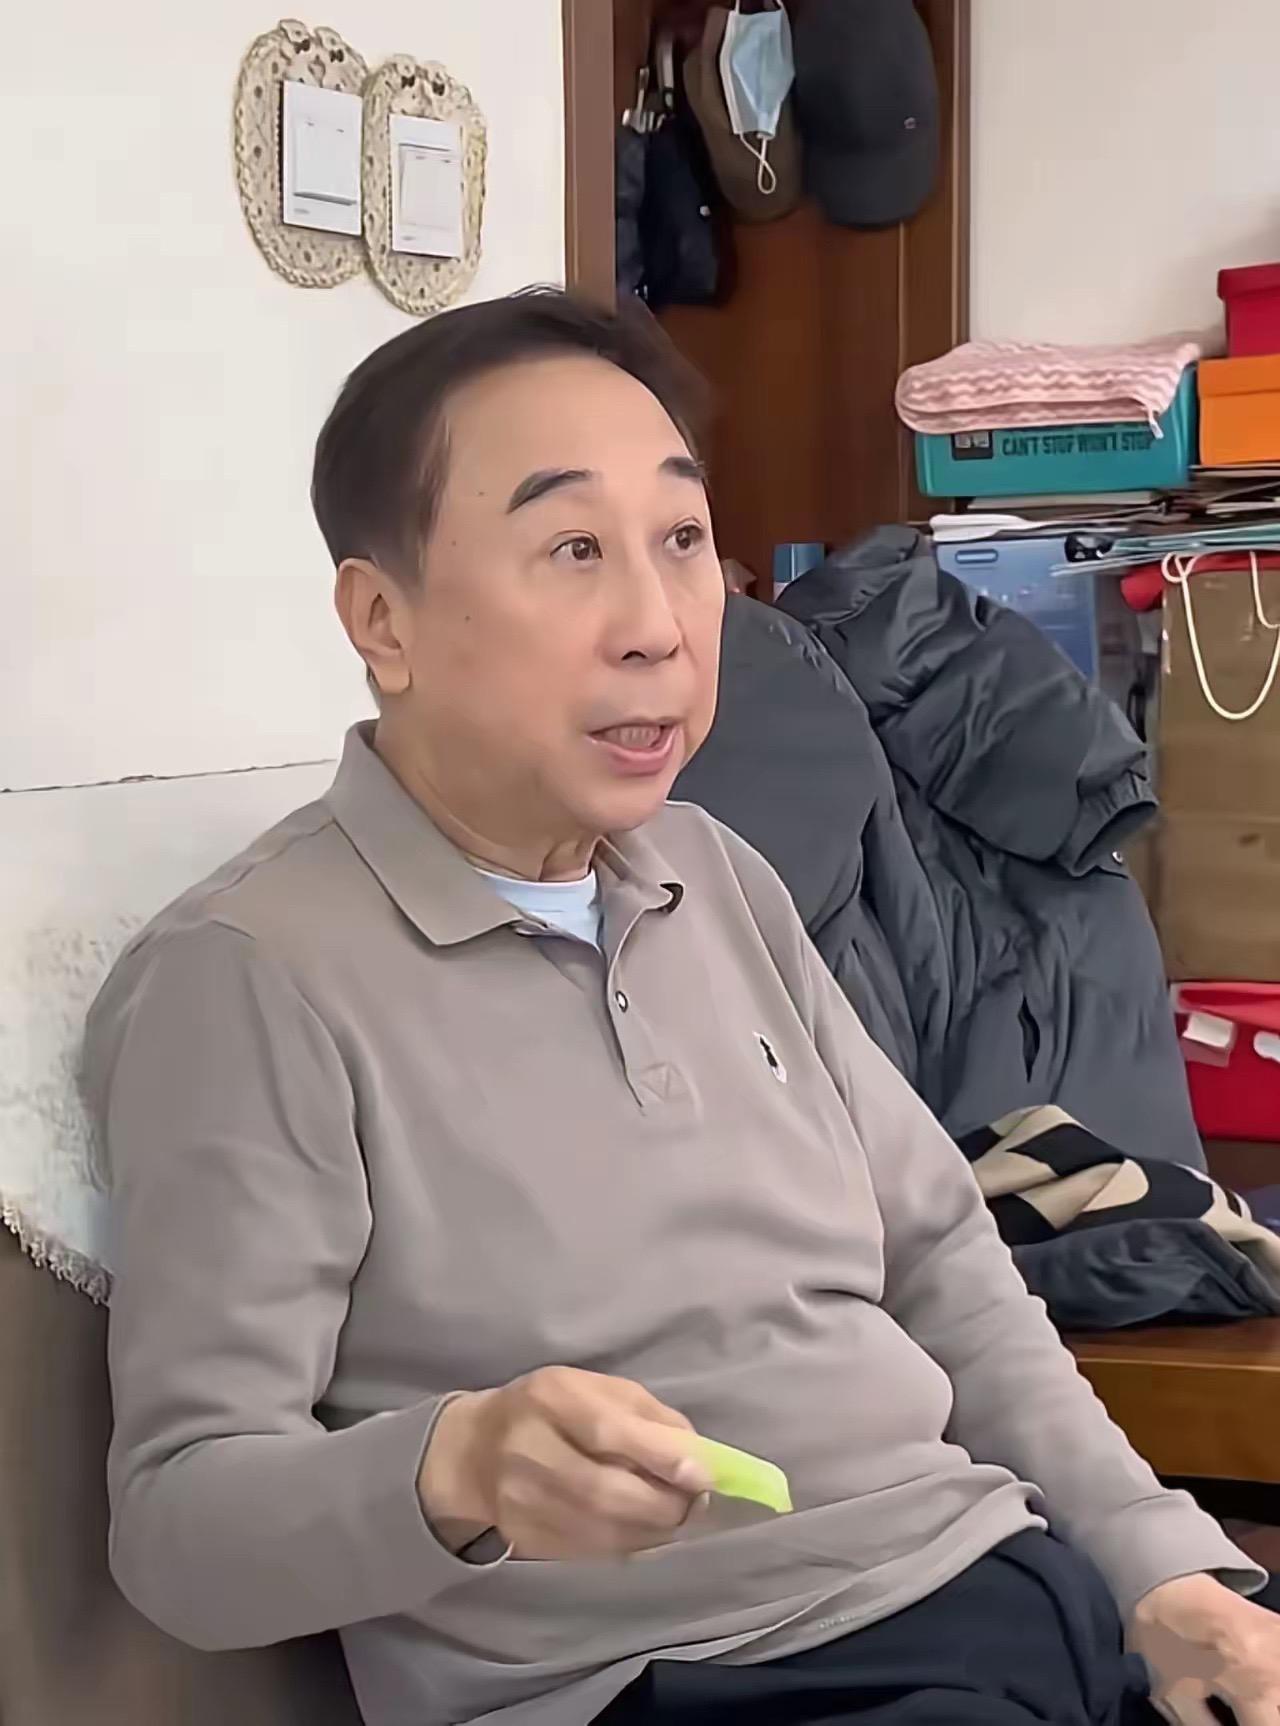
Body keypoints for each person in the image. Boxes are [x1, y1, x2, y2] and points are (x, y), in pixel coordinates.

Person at [83, 289, 1280, 1726]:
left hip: (1007, 1588)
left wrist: (1167, 1569)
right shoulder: (250, 975)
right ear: (382, 620)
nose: (658, 627)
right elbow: (181, 1527)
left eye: (683, 540)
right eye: (572, 549)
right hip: (703, 1680)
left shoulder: (710, 871)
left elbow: (946, 1261)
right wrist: (454, 1468)